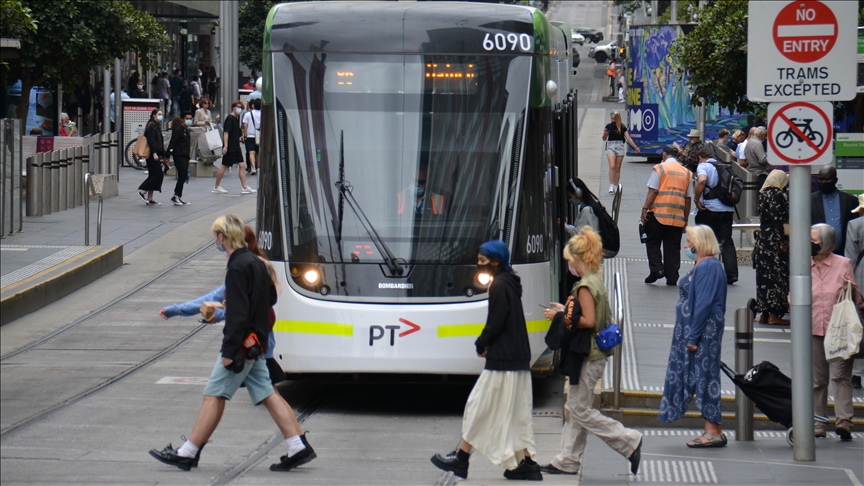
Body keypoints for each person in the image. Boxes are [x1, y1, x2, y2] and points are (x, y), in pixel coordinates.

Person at [150, 215, 315, 472]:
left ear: (222, 237)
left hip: (241, 346)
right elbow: (269, 298)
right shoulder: (256, 263)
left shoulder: (237, 267)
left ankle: (188, 452)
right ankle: (297, 445)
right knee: (268, 393)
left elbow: (238, 315)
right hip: (256, 343)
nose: (215, 239)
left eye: (215, 235)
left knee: (213, 394)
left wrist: (229, 350)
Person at [431, 240, 539, 481]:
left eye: (482, 261)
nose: (479, 265)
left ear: (496, 261)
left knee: (478, 406)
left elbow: (496, 321)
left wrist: (481, 342)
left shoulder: (499, 285)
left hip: (503, 359)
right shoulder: (510, 282)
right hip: (517, 358)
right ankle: (528, 463)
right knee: (516, 413)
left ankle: (461, 459)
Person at [539, 228, 643, 476]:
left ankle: (629, 440)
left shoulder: (585, 285)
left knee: (579, 409)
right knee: (575, 407)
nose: (569, 265)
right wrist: (566, 309)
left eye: (569, 259)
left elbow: (587, 320)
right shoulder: (595, 280)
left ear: (578, 258)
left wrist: (561, 315)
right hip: (594, 354)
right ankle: (568, 459)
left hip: (589, 355)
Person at [159, 225, 285, 384]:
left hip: (249, 343)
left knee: (216, 390)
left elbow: (241, 312)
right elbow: (262, 303)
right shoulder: (259, 264)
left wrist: (217, 315)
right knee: (266, 392)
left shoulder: (241, 269)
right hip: (261, 344)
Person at [658, 225, 728, 447]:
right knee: (703, 374)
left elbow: (704, 303)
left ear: (700, 243)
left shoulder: (708, 267)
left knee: (704, 376)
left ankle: (711, 431)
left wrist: (692, 336)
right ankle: (714, 428)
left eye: (689, 240)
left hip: (702, 332)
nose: (686, 245)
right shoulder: (702, 266)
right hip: (696, 330)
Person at [809, 223, 859, 441]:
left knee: (840, 376)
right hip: (813, 329)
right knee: (817, 380)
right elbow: (793, 297)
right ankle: (819, 421)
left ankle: (844, 421)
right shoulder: (804, 264)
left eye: (814, 241)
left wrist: (851, 289)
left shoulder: (843, 264)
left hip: (839, 329)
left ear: (826, 243)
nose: (809, 244)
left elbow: (855, 298)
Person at [641, 145, 693, 285]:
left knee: (652, 241)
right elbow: (688, 200)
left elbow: (653, 191)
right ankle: (672, 277)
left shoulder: (660, 168)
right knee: (673, 247)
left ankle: (657, 269)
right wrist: (685, 219)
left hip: (658, 214)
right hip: (677, 216)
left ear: (664, 155)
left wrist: (645, 208)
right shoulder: (687, 173)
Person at [693, 147, 738, 284]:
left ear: (701, 157)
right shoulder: (725, 166)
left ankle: (702, 271)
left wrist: (696, 198)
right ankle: (731, 274)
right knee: (726, 241)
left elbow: (702, 180)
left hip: (710, 209)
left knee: (705, 240)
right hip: (727, 210)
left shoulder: (703, 166)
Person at [753, 170, 790, 325]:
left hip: (763, 240)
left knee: (763, 278)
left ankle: (764, 313)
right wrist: (782, 242)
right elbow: (777, 220)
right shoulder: (778, 195)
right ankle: (774, 315)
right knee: (777, 277)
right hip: (774, 243)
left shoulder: (763, 194)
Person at [811, 165, 861, 255]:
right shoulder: (809, 200)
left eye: (827, 179)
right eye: (820, 179)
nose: (823, 182)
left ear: (835, 180)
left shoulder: (850, 200)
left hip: (844, 253)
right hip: (818, 254)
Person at [214, 100, 256, 195]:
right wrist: (225, 146)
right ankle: (217, 186)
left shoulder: (235, 118)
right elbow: (226, 132)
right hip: (231, 146)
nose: (240, 109)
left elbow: (234, 132)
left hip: (236, 146)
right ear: (233, 108)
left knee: (242, 165)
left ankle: (244, 187)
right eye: (238, 107)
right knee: (224, 165)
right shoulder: (230, 118)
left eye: (241, 107)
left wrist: (240, 136)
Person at [845, 195, 864, 389]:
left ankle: (857, 373)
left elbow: (850, 257)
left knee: (859, 327)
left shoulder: (855, 225)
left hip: (861, 277)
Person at [602, 110, 640, 194]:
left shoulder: (622, 127)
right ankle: (611, 185)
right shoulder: (608, 126)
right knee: (612, 166)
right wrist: (604, 135)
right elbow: (604, 138)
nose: (613, 120)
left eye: (614, 119)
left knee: (617, 167)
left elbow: (628, 138)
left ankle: (616, 185)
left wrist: (635, 147)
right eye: (612, 119)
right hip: (610, 146)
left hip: (620, 146)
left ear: (618, 118)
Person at [137, 109, 165, 205]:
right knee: (158, 174)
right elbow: (151, 141)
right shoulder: (152, 125)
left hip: (155, 153)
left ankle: (150, 198)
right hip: (152, 154)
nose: (161, 116)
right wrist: (154, 153)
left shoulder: (155, 125)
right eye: (159, 114)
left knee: (153, 174)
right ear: (154, 115)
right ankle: (143, 191)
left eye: (162, 114)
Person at [167, 114, 192, 206]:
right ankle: (176, 196)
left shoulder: (186, 130)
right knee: (183, 175)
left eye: (190, 118)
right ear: (182, 119)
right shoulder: (178, 129)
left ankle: (178, 196)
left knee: (184, 176)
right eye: (187, 118)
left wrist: (188, 158)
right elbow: (173, 142)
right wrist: (168, 154)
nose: (189, 120)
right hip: (179, 155)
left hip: (185, 156)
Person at [242, 98, 261, 175]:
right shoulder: (263, 114)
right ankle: (258, 167)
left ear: (253, 105)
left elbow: (245, 126)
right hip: (259, 136)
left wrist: (244, 135)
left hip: (250, 136)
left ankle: (253, 167)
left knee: (251, 153)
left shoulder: (247, 114)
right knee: (258, 153)